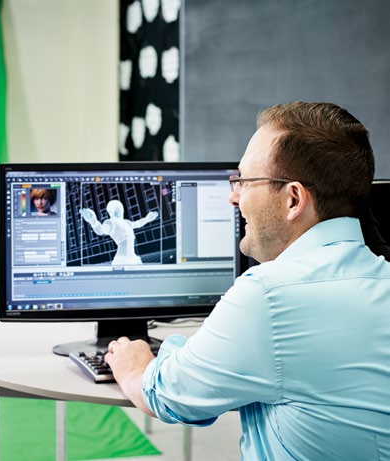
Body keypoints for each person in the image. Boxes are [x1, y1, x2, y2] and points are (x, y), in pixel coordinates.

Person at [104, 101, 390, 460]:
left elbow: (168, 396)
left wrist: (134, 368)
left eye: (244, 180)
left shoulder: (268, 296)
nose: (233, 195)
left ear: (293, 199)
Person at [80, 200, 158, 265]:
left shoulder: (126, 222)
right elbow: (101, 230)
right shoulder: (111, 222)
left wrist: (147, 219)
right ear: (111, 211)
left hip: (133, 258)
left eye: (120, 207)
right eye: (116, 208)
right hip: (122, 259)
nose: (119, 210)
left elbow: (137, 224)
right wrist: (93, 221)